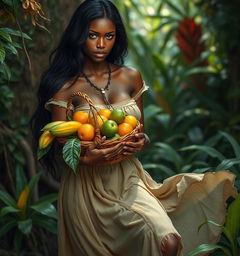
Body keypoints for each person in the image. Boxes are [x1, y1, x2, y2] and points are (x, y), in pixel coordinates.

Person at [31, 0, 237, 255]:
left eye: (109, 36)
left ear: (117, 37)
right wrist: (92, 158)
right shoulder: (64, 86)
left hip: (128, 179)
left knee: (167, 241)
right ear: (79, 34)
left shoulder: (130, 76)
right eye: (92, 35)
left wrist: (143, 141)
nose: (100, 44)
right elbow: (64, 148)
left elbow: (139, 131)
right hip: (85, 190)